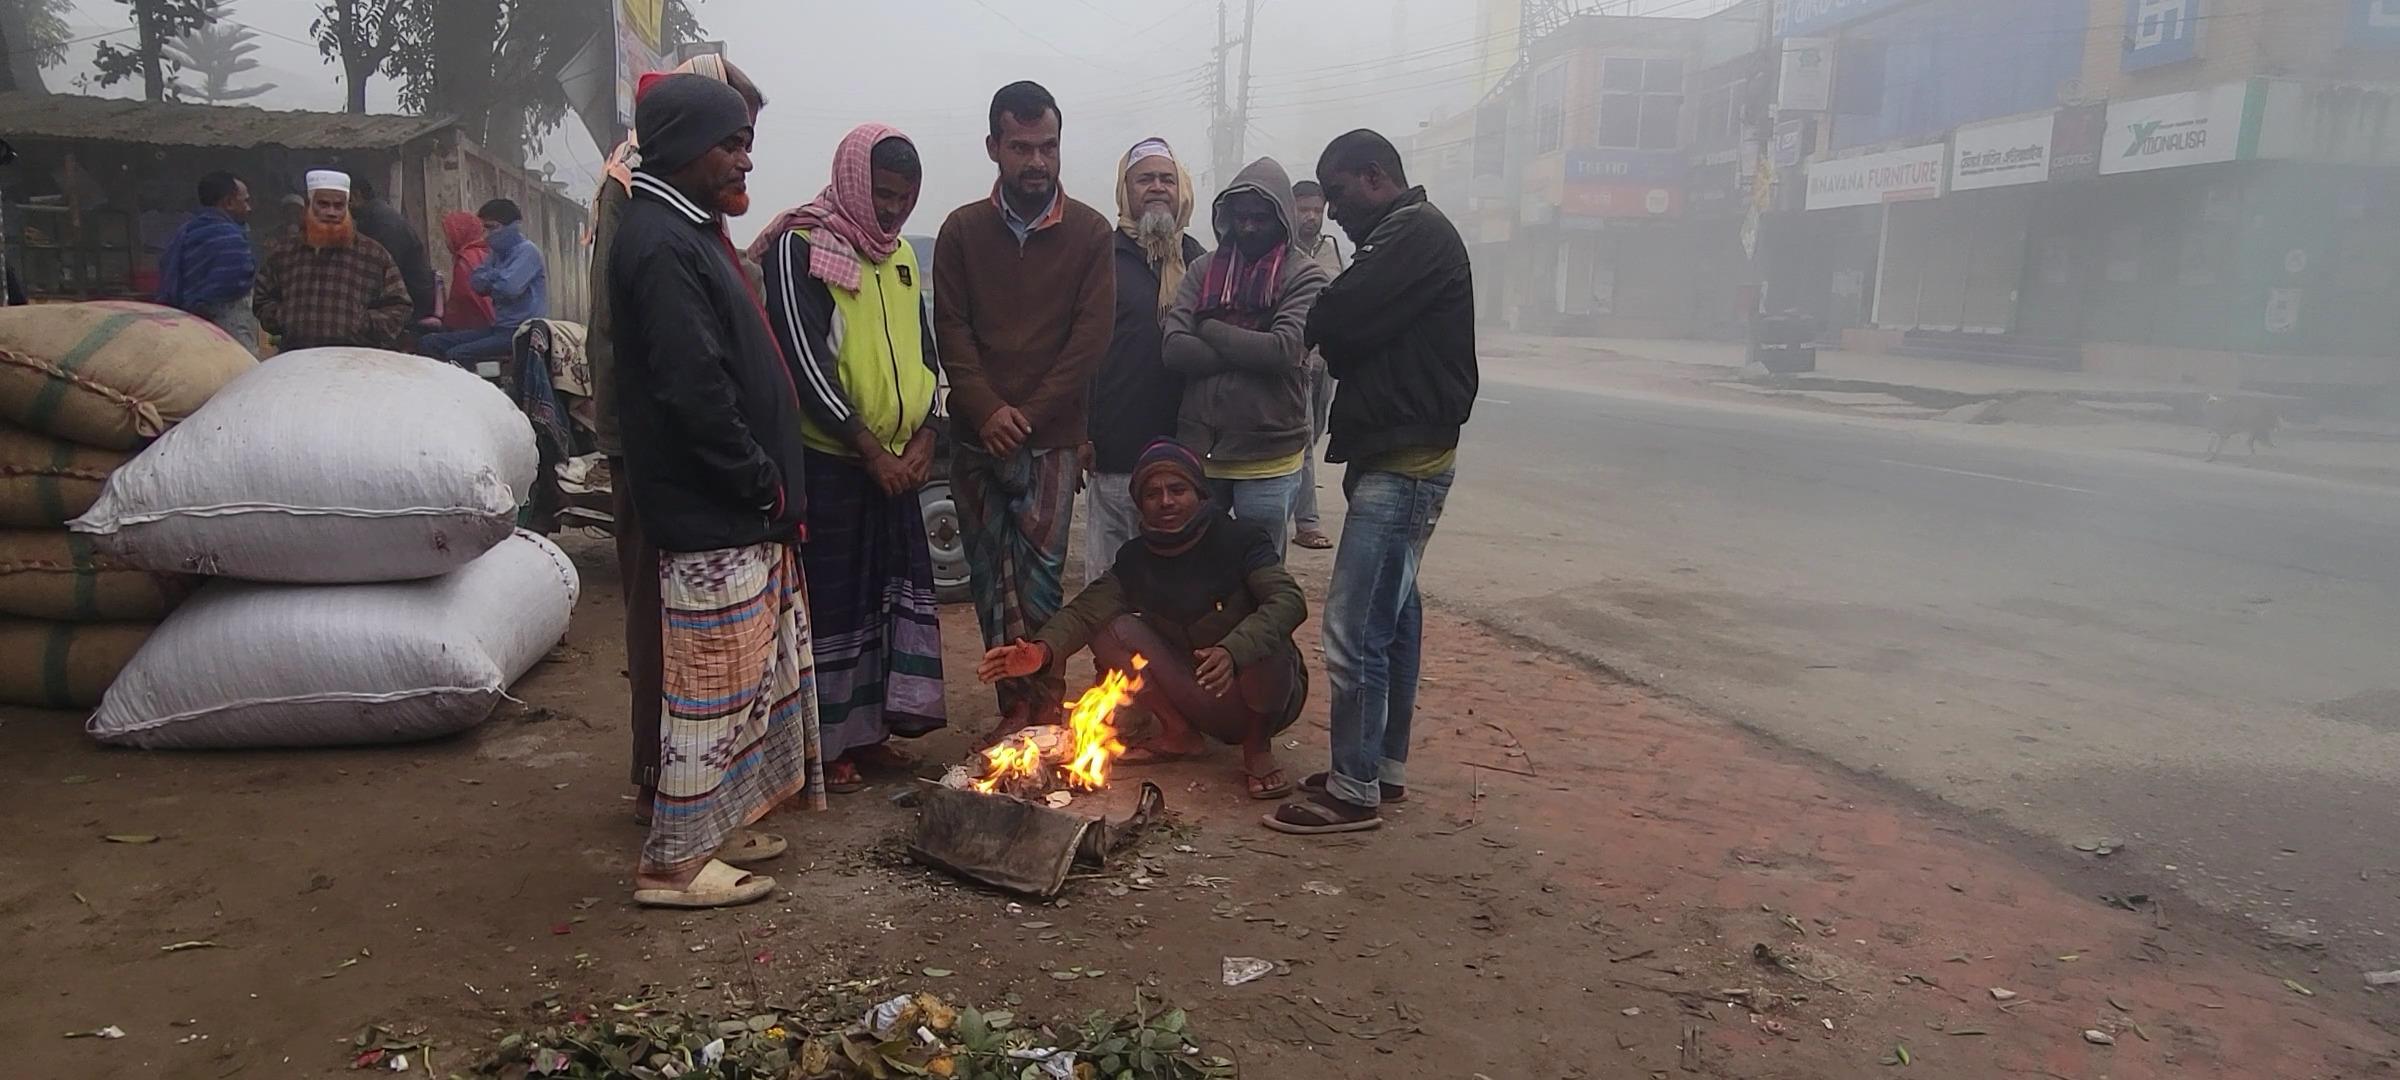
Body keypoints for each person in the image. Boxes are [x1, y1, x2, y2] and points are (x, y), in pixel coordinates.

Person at [610, 73, 819, 908]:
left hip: (737, 511)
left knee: (745, 688)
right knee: (711, 690)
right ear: (684, 147)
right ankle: (674, 865)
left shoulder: (687, 229)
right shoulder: (660, 242)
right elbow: (693, 390)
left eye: (747, 145)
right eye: (730, 145)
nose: (745, 162)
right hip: (714, 512)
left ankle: (713, 830)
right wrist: (760, 482)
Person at [1267, 130, 1476, 836]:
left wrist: (1337, 328)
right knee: (1393, 620)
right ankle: (1380, 767)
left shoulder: (1412, 234)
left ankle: (1353, 787)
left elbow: (1335, 318)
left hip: (1404, 465)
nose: (1332, 211)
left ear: (1375, 177)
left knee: (1354, 626)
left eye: (1339, 193)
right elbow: (1345, 327)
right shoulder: (1406, 234)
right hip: (1400, 455)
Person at [589, 54, 765, 826]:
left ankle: (696, 783)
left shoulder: (683, 205)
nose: (745, 156)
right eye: (732, 137)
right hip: (656, 445)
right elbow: (658, 341)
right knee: (666, 620)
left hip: (679, 442)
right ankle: (662, 782)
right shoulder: (641, 197)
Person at [755, 124, 947, 794]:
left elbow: (925, 355)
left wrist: (927, 436)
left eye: (905, 197)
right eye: (882, 194)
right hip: (832, 463)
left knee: (884, 602)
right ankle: (826, 741)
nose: (892, 210)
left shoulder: (901, 258)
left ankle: (871, 734)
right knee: (831, 610)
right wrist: (867, 446)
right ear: (852, 182)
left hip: (896, 466)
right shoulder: (801, 246)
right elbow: (802, 362)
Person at [931, 80, 1116, 734]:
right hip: (977, 438)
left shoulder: (1091, 232)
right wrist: (986, 410)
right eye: (1021, 148)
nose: (1037, 161)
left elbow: (1090, 339)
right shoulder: (961, 231)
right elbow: (951, 329)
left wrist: (1027, 415)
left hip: (1052, 439)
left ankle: (1046, 709)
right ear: (994, 147)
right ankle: (1013, 712)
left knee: (1040, 583)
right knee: (989, 581)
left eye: (1048, 147)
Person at [981, 438, 1305, 800]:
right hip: (1195, 691)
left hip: (1259, 696)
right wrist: (1042, 651)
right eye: (1152, 494)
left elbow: (1288, 601)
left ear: (1199, 494)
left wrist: (1233, 652)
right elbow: (1084, 612)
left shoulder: (1241, 540)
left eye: (1177, 490)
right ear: (1140, 505)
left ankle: (1257, 750)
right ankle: (1179, 734)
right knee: (1109, 629)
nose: (1165, 501)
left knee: (1269, 642)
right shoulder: (1136, 558)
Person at [1159, 157, 1329, 560]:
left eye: (1260, 218)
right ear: (1227, 218)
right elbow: (1174, 348)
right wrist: (1251, 346)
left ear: (1282, 219)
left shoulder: (1305, 276)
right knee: (1197, 567)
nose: (1249, 227)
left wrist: (1209, 327)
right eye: (1241, 217)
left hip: (1269, 454)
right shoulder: (1202, 269)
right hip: (1202, 450)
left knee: (1259, 570)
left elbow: (1283, 350)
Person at [1083, 137, 1204, 587]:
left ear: (1181, 189)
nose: (1157, 188)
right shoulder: (1101, 258)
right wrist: (1080, 432)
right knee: (1111, 586)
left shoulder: (1199, 263)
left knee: (1176, 588)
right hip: (1117, 453)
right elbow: (1081, 351)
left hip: (1186, 458)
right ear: (1125, 190)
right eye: (1144, 179)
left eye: (1166, 179)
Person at [254, 169, 414, 351]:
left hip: (355, 357)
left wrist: (361, 323)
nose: (331, 212)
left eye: (338, 206)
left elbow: (400, 306)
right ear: (309, 205)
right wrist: (287, 318)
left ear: (347, 208)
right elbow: (262, 299)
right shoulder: (284, 254)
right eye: (323, 204)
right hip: (297, 357)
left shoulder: (373, 255)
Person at [419, 198, 547, 367]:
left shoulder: (528, 252)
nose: (487, 234)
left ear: (512, 226)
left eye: (492, 227)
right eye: (484, 228)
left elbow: (509, 289)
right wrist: (499, 277)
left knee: (456, 355)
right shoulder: (496, 253)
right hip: (498, 328)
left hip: (521, 332)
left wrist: (492, 279)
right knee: (429, 343)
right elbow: (476, 283)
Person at [1289, 179, 1345, 551]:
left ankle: (1291, 499)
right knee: (1302, 435)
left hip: (1324, 360)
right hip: (1294, 358)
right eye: (1304, 210)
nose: (1311, 217)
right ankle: (1307, 522)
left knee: (1314, 433)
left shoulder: (1331, 249)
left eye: (1316, 210)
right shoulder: (1280, 250)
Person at [155, 170, 260, 353]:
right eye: (245, 201)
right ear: (228, 202)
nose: (249, 208)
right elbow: (236, 282)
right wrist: (204, 305)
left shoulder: (185, 233)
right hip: (229, 333)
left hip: (187, 328)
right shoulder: (230, 238)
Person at [352, 175, 437, 325]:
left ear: (356, 195)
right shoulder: (374, 217)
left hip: (410, 302)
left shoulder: (383, 223)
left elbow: (380, 269)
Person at [437, 210, 497, 332]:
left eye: (448, 236)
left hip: (480, 328)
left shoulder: (466, 260)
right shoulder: (484, 252)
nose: (446, 242)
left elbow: (464, 303)